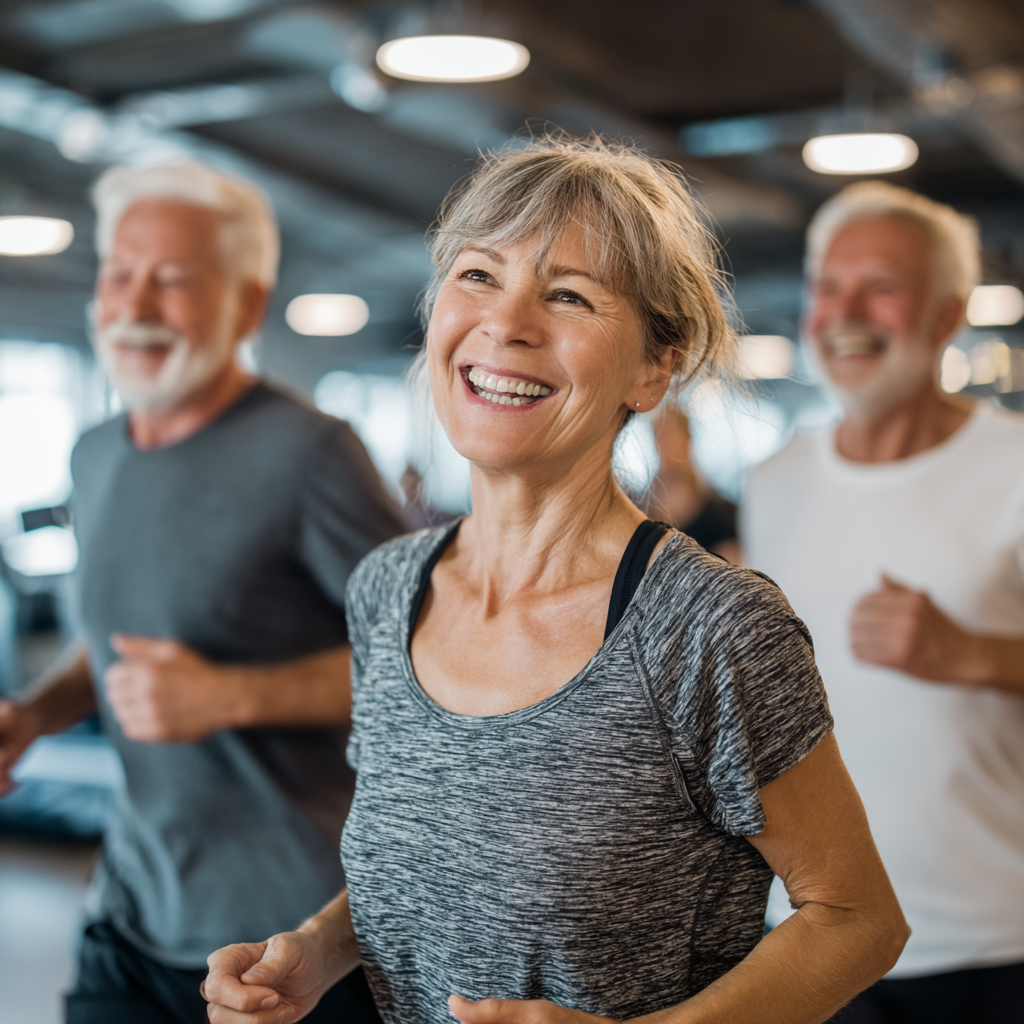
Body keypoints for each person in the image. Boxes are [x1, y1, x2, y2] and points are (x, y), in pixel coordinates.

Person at [203, 138, 907, 1024]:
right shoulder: (386, 591)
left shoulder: (708, 627)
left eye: (568, 294)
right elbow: (433, 863)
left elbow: (859, 919)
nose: (507, 323)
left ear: (655, 366)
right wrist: (315, 949)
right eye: (477, 276)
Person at [0, 162, 403, 1024]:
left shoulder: (313, 454)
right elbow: (115, 641)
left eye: (173, 280)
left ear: (247, 307)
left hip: (287, 951)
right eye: (120, 275)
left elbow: (432, 671)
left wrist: (230, 695)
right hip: (129, 912)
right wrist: (33, 715)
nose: (136, 305)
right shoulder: (94, 454)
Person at [743, 181, 1024, 1023]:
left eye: (881, 287)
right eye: (827, 286)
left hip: (990, 937)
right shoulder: (774, 481)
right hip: (810, 938)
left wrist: (970, 654)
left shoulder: (1014, 466)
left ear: (946, 316)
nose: (845, 312)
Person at [647, 406, 741, 563]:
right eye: (657, 435)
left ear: (687, 438)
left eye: (669, 435)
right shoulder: (642, 511)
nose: (662, 444)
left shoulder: (722, 515)